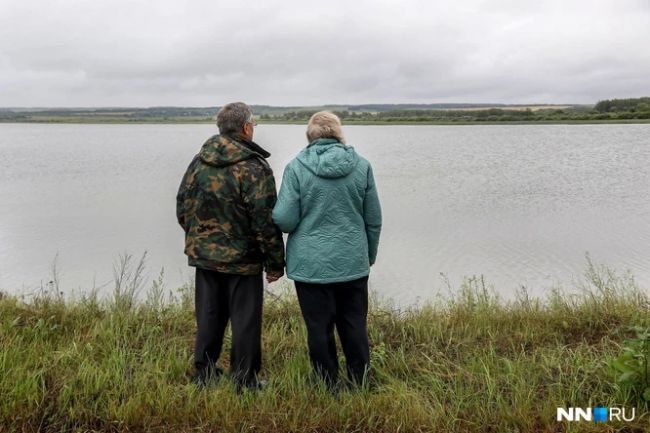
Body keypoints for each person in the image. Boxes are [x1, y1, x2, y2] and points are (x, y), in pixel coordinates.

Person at [176, 102, 285, 389]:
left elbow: (182, 207)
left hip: (205, 257)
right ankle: (245, 381)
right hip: (243, 259)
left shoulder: (199, 161)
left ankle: (205, 375)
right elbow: (264, 221)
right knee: (245, 322)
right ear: (246, 128)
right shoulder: (253, 166)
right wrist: (275, 263)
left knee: (209, 317)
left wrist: (200, 238)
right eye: (254, 126)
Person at [272, 111, 382, 389]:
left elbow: (284, 219)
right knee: (354, 323)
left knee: (318, 327)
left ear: (310, 137)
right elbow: (373, 219)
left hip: (311, 265)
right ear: (339, 134)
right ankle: (360, 381)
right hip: (352, 261)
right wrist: (368, 255)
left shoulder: (296, 168)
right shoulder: (362, 166)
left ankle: (326, 384)